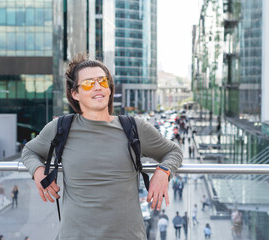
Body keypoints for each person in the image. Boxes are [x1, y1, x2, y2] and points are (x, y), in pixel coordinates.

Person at [21, 53, 183, 239]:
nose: (98, 87)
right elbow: (30, 151)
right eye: (89, 83)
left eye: (102, 81)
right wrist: (38, 170)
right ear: (75, 94)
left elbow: (173, 151)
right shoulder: (60, 128)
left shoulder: (134, 128)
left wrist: (164, 171)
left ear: (109, 88)